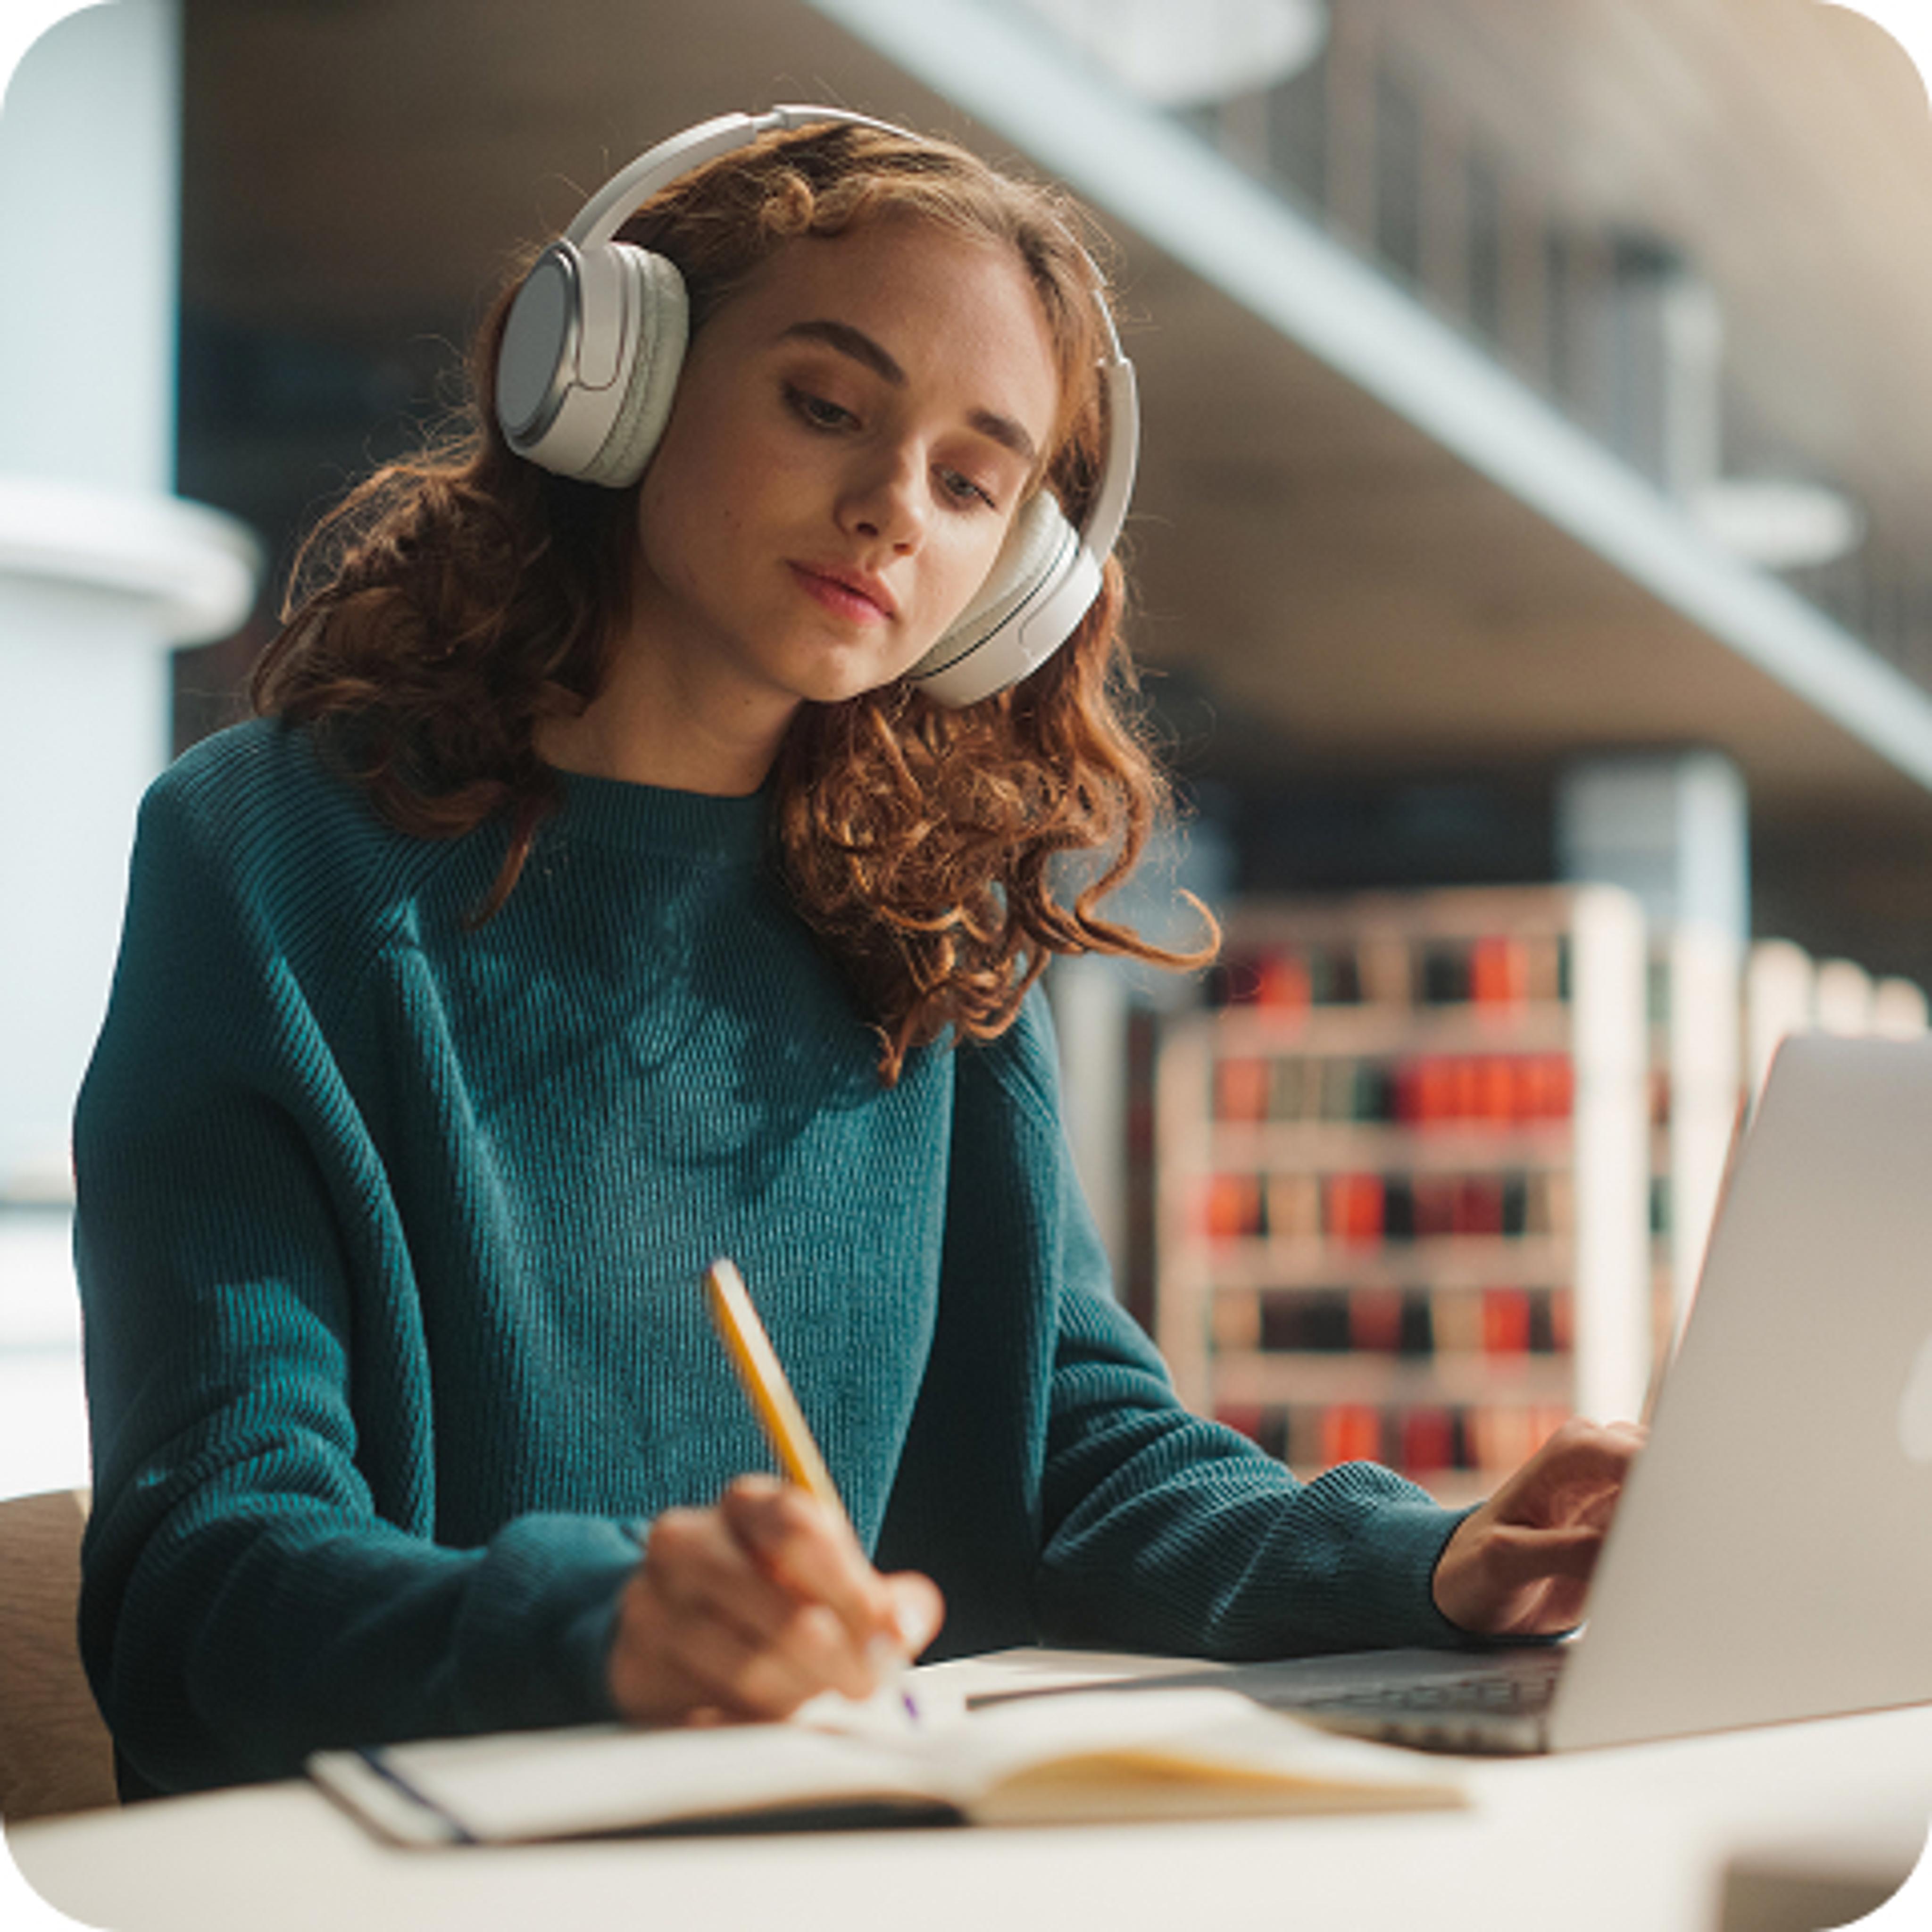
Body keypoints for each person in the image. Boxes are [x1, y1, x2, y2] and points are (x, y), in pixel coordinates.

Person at [73, 109, 1641, 1800]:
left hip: (842, 1849)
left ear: (1013, 577)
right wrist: (604, 1635)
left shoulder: (932, 922)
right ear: (619, 379)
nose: (894, 510)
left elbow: (1084, 1461)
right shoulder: (272, 855)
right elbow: (208, 1569)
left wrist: (1431, 1561)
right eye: (827, 405)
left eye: (973, 480)